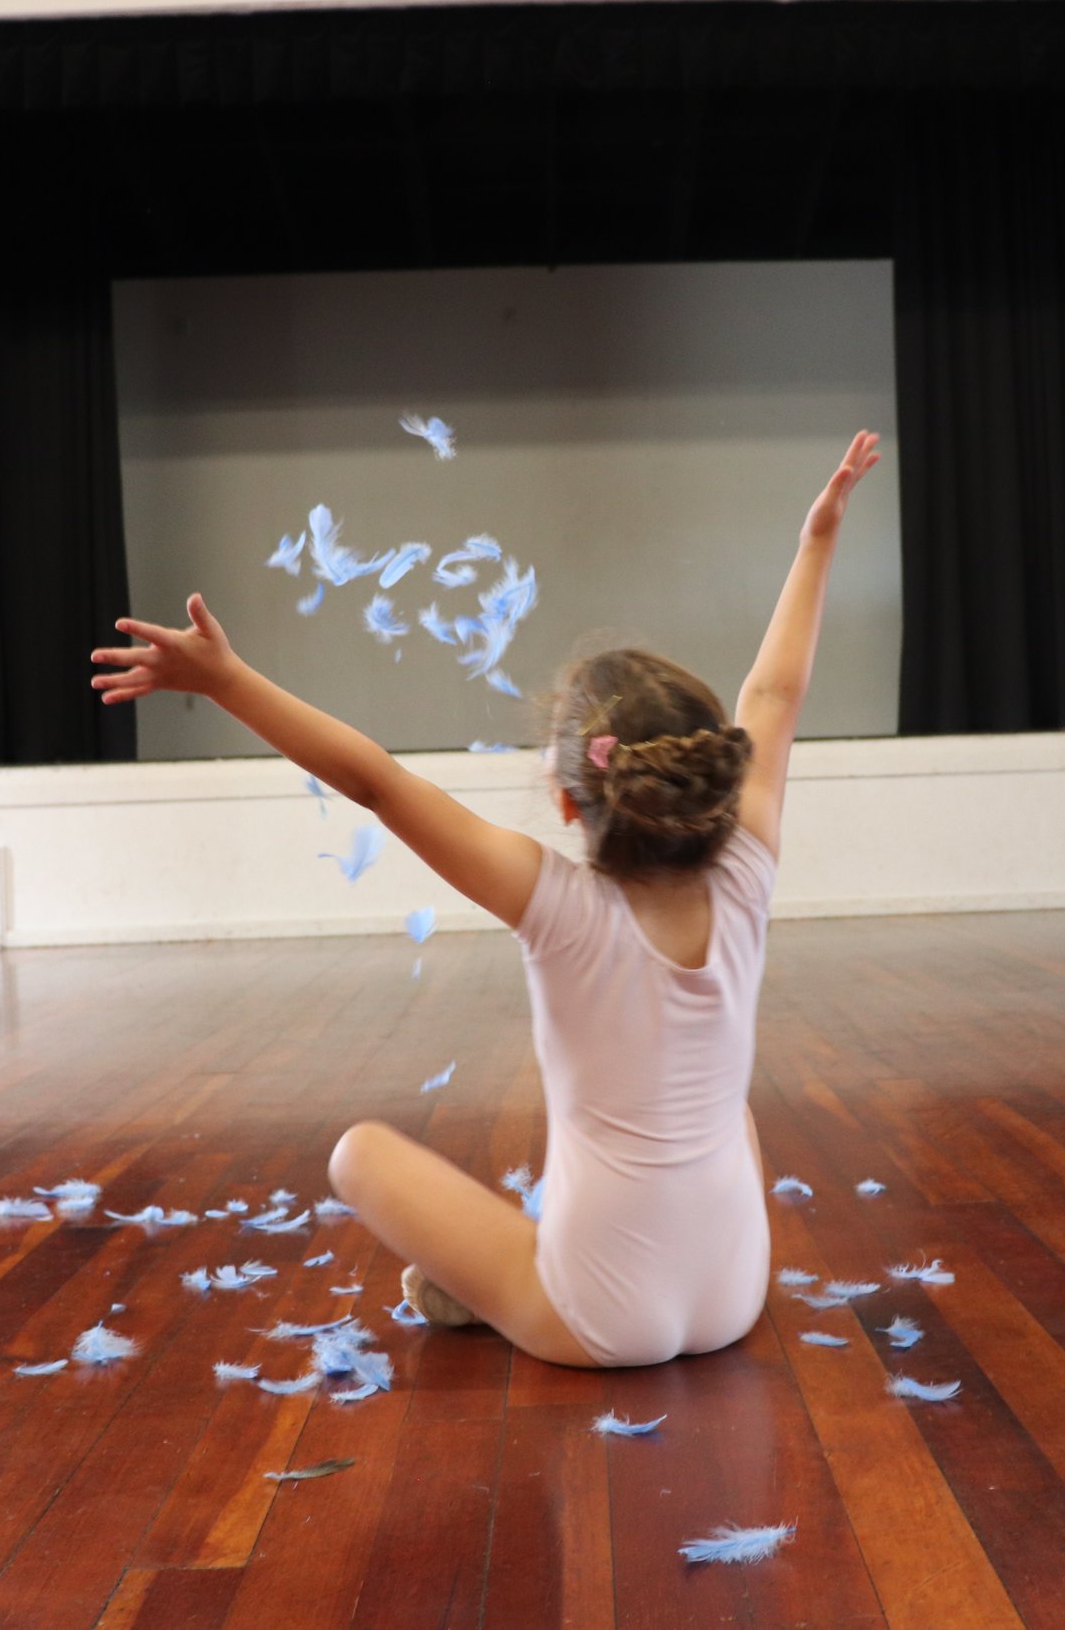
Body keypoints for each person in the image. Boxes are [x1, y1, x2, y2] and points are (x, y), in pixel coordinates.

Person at [89, 431, 882, 1366]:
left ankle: (496, 1288)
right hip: (735, 1292)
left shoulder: (556, 905)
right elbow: (777, 691)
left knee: (356, 1155)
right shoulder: (750, 867)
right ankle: (508, 1281)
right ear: (708, 777)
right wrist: (819, 538)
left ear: (565, 798)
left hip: (597, 1316)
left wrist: (223, 680)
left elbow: (377, 782)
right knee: (730, 1113)